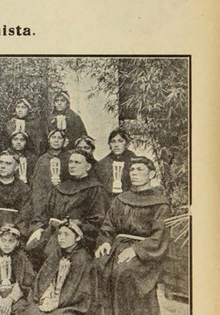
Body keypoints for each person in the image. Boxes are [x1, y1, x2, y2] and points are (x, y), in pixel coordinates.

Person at [95, 157, 171, 315]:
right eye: (132, 170)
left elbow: (160, 235)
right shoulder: (121, 199)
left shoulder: (160, 203)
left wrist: (136, 250)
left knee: (124, 272)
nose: (134, 173)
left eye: (139, 169)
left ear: (151, 174)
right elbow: (109, 225)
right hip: (118, 246)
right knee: (99, 266)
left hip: (145, 253)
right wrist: (105, 241)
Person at [28, 150, 110, 263]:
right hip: (52, 232)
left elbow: (98, 222)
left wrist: (74, 225)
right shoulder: (60, 187)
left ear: (88, 166)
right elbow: (43, 213)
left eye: (77, 162)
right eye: (71, 162)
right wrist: (38, 228)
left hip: (79, 237)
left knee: (51, 250)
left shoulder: (96, 190)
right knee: (30, 249)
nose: (72, 165)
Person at [25, 219, 97, 315]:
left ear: (77, 238)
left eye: (66, 234)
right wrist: (46, 297)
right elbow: (43, 279)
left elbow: (78, 291)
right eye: (59, 234)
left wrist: (56, 302)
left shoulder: (82, 258)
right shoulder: (56, 253)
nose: (61, 238)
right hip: (49, 298)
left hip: (70, 304)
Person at [0, 224, 35, 315]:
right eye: (3, 240)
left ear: (17, 242)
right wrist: (0, 301)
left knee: (21, 309)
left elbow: (26, 281)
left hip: (16, 297)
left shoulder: (21, 256)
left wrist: (10, 299)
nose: (6, 245)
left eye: (11, 241)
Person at [30, 129, 71, 230]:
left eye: (59, 138)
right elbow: (37, 187)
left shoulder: (69, 159)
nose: (56, 140)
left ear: (64, 141)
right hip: (45, 201)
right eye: (53, 137)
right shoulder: (42, 160)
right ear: (49, 140)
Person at [95, 129, 137, 195]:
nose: (116, 145)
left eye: (120, 141)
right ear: (109, 144)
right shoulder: (102, 164)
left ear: (127, 144)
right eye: (113, 141)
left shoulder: (135, 162)